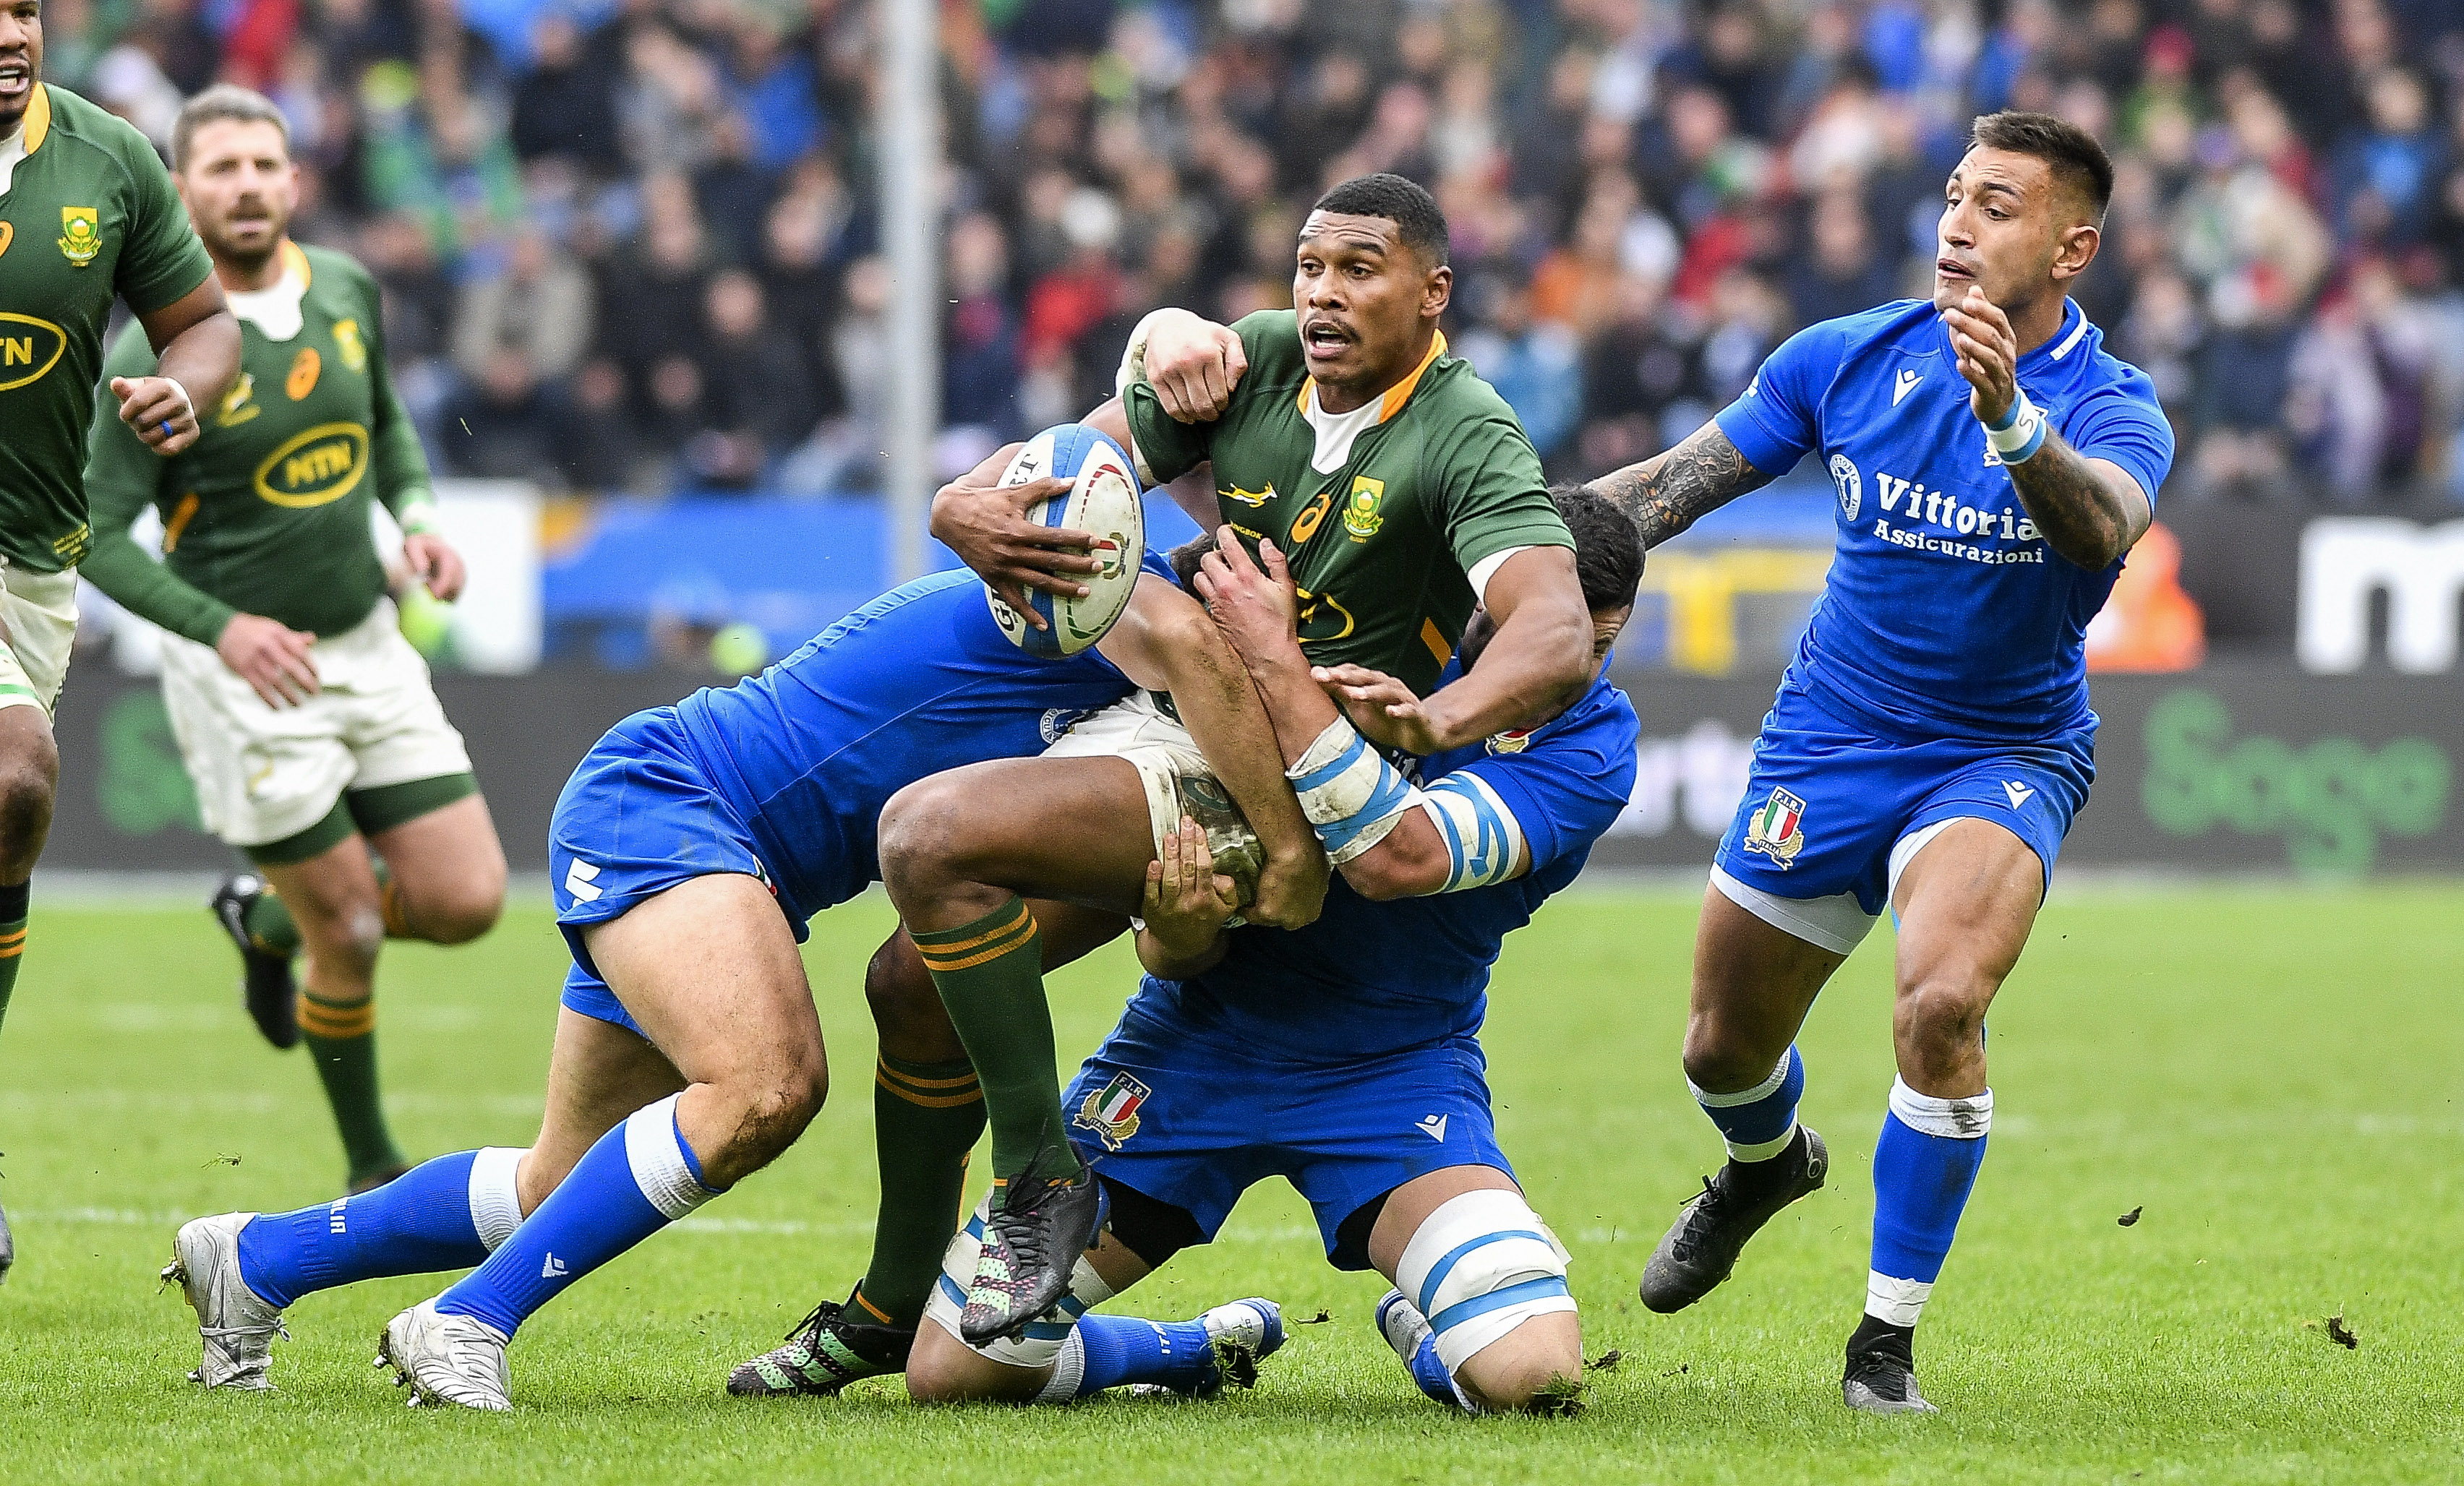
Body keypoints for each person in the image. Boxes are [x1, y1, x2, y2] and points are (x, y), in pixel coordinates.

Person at [161, 531, 1303, 1410]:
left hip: (708, 843)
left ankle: (256, 1258)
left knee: (559, 1187)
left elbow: (1148, 932)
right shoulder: (1100, 602)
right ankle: (465, 1323)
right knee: (766, 1085)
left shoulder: (1134, 707)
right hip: (672, 802)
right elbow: (1119, 494)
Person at [917, 172, 1596, 1343]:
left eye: (1359, 269)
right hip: (1197, 939)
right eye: (1309, 266)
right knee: (958, 1359)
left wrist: (1439, 721)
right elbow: (1068, 468)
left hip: (1362, 1004)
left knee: (1527, 1370)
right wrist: (966, 501)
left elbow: (1554, 629)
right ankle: (1176, 1337)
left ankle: (1037, 1178)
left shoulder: (1469, 433)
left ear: (1433, 293)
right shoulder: (1252, 359)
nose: (1323, 293)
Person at [1583, 111, 2176, 1414]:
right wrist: (1512, 539)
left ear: (2071, 248)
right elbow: (1669, 489)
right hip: (1830, 740)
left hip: (2002, 753)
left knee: (1941, 1004)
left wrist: (2011, 424)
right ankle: (1765, 1165)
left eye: (1997, 206)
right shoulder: (1844, 357)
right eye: (1954, 196)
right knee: (1719, 1053)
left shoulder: (2116, 408)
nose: (1957, 225)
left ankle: (1881, 1346)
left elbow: (2099, 530)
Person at [870, 488, 1643, 1414]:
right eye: (1520, 625)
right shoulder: (1371, 617)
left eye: (1594, 643)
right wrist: (1180, 931)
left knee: (1536, 1376)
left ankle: (1427, 1328)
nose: (1562, 663)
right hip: (1193, 1046)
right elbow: (1168, 949)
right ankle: (1192, 1348)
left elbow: (1402, 856)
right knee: (955, 1374)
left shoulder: (1592, 746)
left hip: (1391, 1069)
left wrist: (1277, 661)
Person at [81, 86, 508, 1195]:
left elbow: (386, 428)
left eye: (264, 164)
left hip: (366, 642)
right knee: (353, 930)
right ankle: (372, 1166)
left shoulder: (348, 287)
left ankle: (264, 921)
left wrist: (417, 520)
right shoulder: (159, 343)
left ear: (296, 180)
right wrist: (223, 631)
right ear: (181, 194)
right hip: (248, 680)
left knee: (466, 903)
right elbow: (97, 535)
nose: (248, 186)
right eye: (222, 168)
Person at [0, 6, 241, 1280]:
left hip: (30, 564)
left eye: (25, 8)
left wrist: (179, 387)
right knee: (13, 772)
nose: (10, 33)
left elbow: (205, 324)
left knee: (10, 806)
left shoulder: (109, 158)